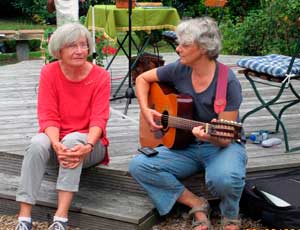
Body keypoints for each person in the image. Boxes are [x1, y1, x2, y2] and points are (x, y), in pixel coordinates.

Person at [129, 17, 247, 230]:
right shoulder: (180, 69)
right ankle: (197, 204)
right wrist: (146, 110)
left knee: (226, 178)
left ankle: (230, 215)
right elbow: (141, 79)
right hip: (185, 146)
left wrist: (209, 136)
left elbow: (226, 137)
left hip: (221, 145)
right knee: (139, 165)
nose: (177, 49)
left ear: (203, 48)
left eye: (184, 44)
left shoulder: (227, 82)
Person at [15, 23, 110, 230]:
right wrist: (56, 144)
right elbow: (48, 116)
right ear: (59, 51)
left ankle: (60, 218)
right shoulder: (49, 72)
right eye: (72, 46)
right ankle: (24, 218)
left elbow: (99, 119)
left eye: (83, 45)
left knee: (73, 140)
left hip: (90, 146)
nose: (79, 51)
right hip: (59, 142)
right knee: (37, 143)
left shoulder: (100, 76)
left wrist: (89, 145)